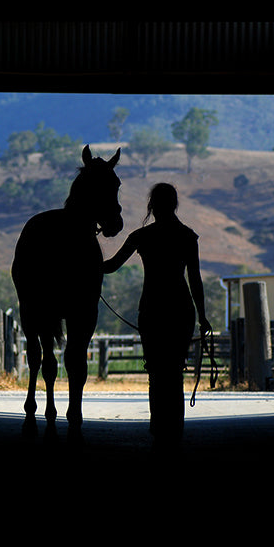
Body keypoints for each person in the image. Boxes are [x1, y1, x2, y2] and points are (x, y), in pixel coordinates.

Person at [103, 183, 211, 449]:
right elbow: (194, 280)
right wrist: (203, 317)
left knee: (156, 371)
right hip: (181, 309)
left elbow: (111, 266)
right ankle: (174, 428)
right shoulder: (187, 236)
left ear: (152, 205)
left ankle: (159, 427)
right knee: (174, 370)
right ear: (174, 204)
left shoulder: (141, 236)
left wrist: (82, 264)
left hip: (151, 309)